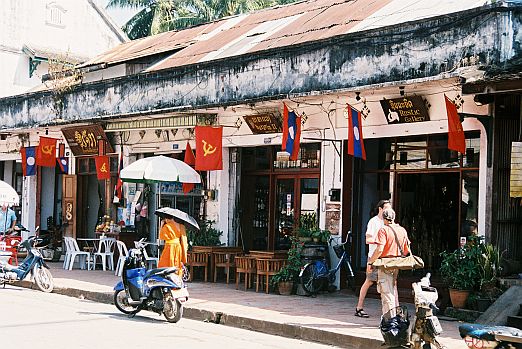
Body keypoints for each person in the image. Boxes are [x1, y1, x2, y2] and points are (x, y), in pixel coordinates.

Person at [368, 208, 410, 316]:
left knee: (387, 293)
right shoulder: (402, 230)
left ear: (383, 218)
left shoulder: (383, 230)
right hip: (396, 264)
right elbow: (406, 250)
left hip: (385, 264)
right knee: (392, 290)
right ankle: (394, 316)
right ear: (394, 218)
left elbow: (379, 250)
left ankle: (390, 320)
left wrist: (371, 262)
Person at [355, 199, 391, 318]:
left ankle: (391, 311)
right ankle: (359, 307)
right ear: (380, 209)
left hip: (386, 257)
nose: (388, 210)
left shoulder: (389, 222)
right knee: (369, 281)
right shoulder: (373, 222)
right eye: (386, 208)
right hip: (374, 256)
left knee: (390, 283)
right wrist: (380, 242)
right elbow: (367, 239)